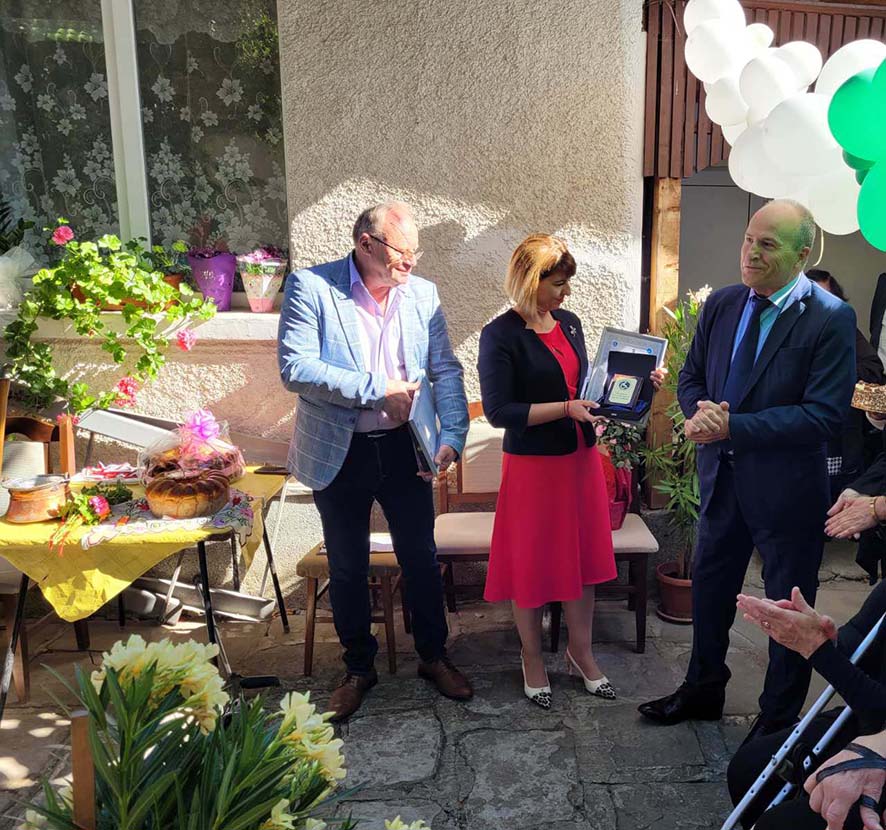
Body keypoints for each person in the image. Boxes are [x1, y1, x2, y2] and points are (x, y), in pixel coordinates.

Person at [638, 199, 857, 746]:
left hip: (787, 492)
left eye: (767, 244)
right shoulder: (723, 303)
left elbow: (823, 415)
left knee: (789, 605)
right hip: (721, 481)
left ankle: (777, 722)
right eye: (748, 239)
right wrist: (699, 413)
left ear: (802, 255)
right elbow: (691, 377)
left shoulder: (830, 317)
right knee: (711, 590)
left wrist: (733, 427)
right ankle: (703, 689)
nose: (750, 253)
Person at [278, 201, 472, 721]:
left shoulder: (422, 294)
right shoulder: (312, 288)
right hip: (339, 452)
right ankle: (358, 669)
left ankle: (433, 656)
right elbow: (296, 368)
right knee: (347, 566)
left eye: (416, 253)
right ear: (366, 244)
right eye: (402, 253)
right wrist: (375, 389)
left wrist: (453, 434)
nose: (411, 263)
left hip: (406, 447)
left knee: (421, 558)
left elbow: (445, 370)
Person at [478, 233, 663, 709]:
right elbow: (499, 412)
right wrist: (564, 408)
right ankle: (532, 656)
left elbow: (591, 389)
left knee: (582, 563)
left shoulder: (571, 324)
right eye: (558, 284)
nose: (567, 293)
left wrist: (642, 387)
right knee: (531, 565)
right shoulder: (500, 335)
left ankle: (581, 653)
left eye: (567, 283)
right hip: (533, 469)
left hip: (579, 461)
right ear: (529, 280)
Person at [727, 582, 886, 829]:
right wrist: (819, 635)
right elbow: (859, 639)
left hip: (878, 722)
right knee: (749, 768)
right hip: (869, 718)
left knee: (781, 825)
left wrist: (817, 649)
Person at [807, 269, 884, 502]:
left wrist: (833, 374)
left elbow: (873, 368)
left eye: (828, 299)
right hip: (793, 447)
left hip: (841, 445)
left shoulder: (845, 329)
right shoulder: (783, 333)